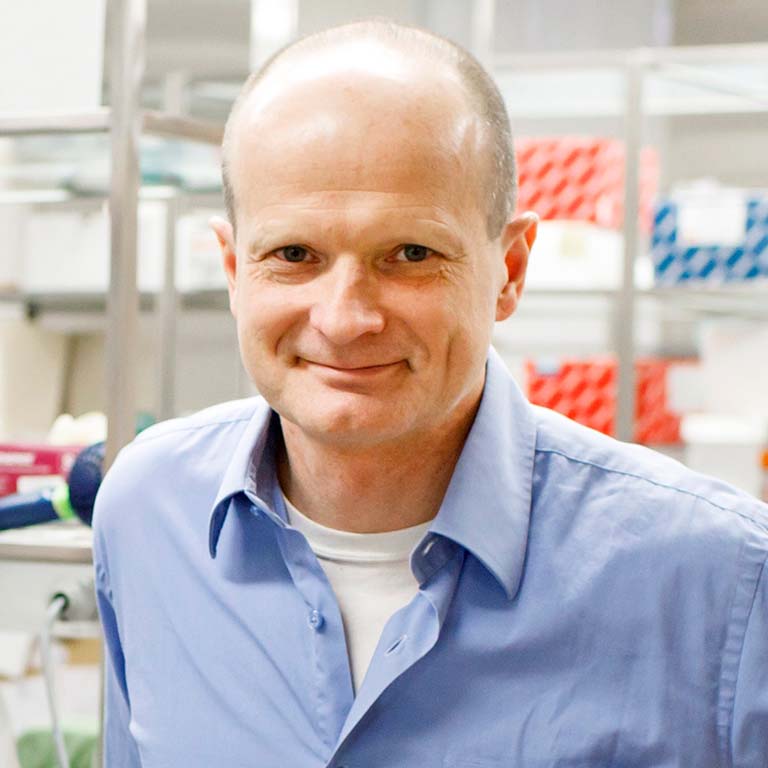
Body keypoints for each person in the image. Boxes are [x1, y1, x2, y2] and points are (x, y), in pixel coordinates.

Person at [92, 19, 768, 768]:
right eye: (293, 255)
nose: (346, 319)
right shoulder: (149, 519)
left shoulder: (721, 584)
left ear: (509, 270)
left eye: (411, 254)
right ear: (232, 268)